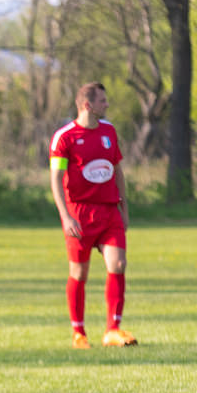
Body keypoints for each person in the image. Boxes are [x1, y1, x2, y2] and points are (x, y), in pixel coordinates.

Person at [49, 82, 137, 349]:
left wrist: (124, 207)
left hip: (109, 210)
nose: (107, 105)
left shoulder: (109, 131)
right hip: (79, 213)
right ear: (87, 105)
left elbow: (117, 169)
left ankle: (113, 329)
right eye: (102, 101)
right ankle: (79, 333)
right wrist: (66, 216)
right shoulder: (64, 137)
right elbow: (56, 178)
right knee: (79, 272)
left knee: (118, 264)